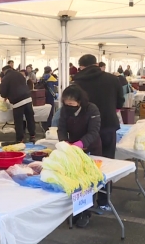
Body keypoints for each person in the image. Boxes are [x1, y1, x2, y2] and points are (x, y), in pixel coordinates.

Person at [73, 54, 124, 212]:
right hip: (108, 125)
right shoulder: (112, 79)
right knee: (106, 163)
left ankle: (85, 202)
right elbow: (120, 102)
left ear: (81, 66)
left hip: (85, 130)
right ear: (96, 64)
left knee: (85, 165)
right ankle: (104, 200)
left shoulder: (77, 82)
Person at [57, 85, 101, 228]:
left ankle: (86, 212)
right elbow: (61, 128)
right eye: (66, 103)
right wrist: (64, 143)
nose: (68, 106)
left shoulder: (92, 109)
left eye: (71, 104)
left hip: (91, 147)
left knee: (89, 180)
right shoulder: (64, 111)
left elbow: (94, 132)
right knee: (75, 180)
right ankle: (76, 210)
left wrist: (80, 144)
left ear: (80, 101)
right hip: (73, 148)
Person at [0, 65, 36, 143]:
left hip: (17, 102)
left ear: (4, 71)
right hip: (28, 98)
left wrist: (6, 95)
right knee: (30, 118)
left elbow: (3, 93)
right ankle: (33, 135)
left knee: (18, 121)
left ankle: (20, 138)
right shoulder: (19, 74)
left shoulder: (5, 78)